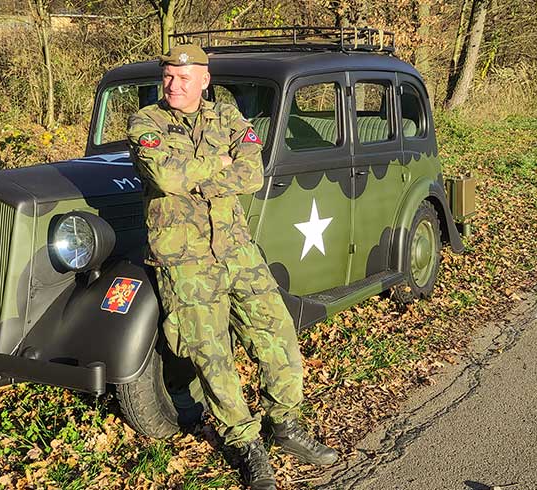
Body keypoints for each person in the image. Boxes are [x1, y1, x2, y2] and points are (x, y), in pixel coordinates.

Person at [126, 44, 337, 489]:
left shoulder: (227, 116)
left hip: (237, 249)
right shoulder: (146, 122)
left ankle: (285, 423)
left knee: (276, 331)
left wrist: (196, 173)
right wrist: (219, 162)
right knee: (212, 354)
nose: (173, 85)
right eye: (168, 76)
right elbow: (166, 178)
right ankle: (245, 444)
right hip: (185, 260)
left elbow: (252, 174)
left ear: (204, 80)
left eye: (184, 78)